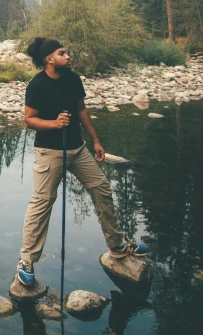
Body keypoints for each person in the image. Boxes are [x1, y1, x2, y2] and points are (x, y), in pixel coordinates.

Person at [17, 37, 148, 287]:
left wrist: (96, 141)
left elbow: (81, 110)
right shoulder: (37, 85)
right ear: (49, 59)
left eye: (66, 53)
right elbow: (29, 120)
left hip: (77, 149)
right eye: (62, 53)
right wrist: (54, 124)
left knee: (101, 187)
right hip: (49, 152)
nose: (68, 56)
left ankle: (118, 245)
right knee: (42, 203)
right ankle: (26, 261)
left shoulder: (73, 79)